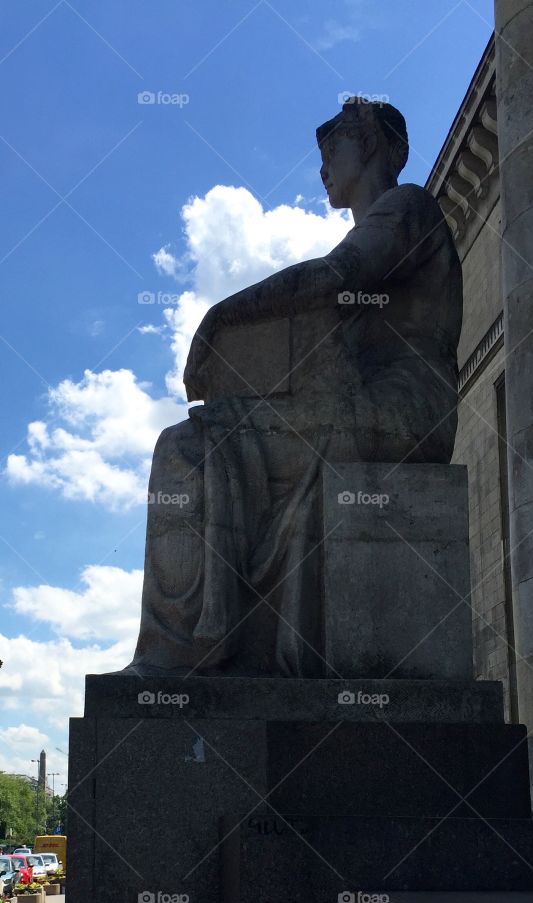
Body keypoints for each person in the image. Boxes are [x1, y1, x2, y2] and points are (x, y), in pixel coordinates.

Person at [126, 99, 462, 678]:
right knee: (197, 440)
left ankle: (184, 650)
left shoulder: (409, 207)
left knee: (186, 449)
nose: (324, 168)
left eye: (333, 149)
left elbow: (333, 278)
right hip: (359, 408)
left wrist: (223, 317)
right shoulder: (384, 226)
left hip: (403, 413)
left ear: (374, 145)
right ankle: (204, 640)